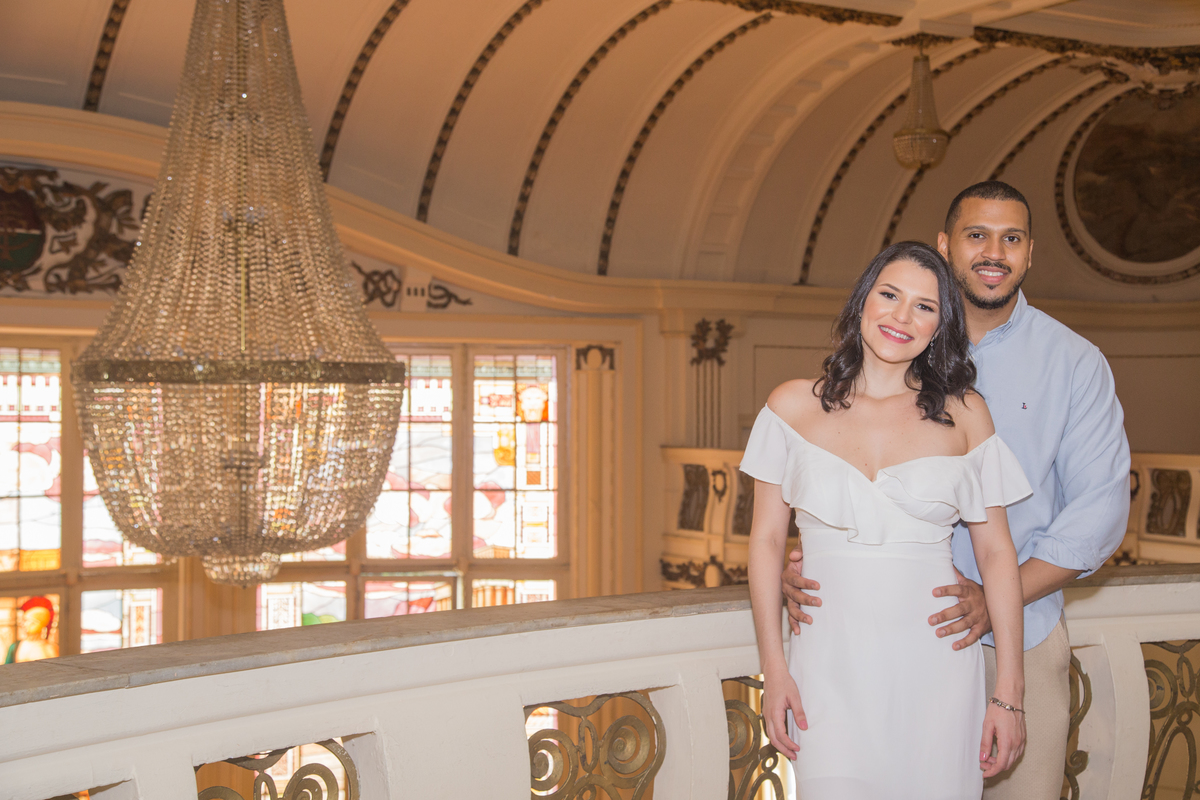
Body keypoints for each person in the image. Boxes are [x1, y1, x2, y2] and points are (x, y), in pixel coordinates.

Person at [781, 181, 1130, 799]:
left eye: (1011, 238)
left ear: (1029, 253)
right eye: (977, 235)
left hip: (1020, 634)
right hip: (883, 646)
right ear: (945, 246)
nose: (994, 252)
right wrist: (818, 554)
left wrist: (997, 597)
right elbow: (846, 463)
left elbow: (1099, 515)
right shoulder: (897, 338)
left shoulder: (1074, 362)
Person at [745, 240, 1030, 800]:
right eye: (890, 295)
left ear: (939, 327)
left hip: (938, 668)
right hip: (826, 668)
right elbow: (766, 541)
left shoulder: (966, 413)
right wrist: (773, 668)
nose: (902, 317)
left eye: (924, 306)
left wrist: (1009, 694)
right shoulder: (789, 407)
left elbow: (998, 553)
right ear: (862, 302)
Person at [4, 596, 59, 663]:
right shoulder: (15, 647)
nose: (24, 624)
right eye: (24, 621)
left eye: (28, 621)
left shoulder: (51, 647)